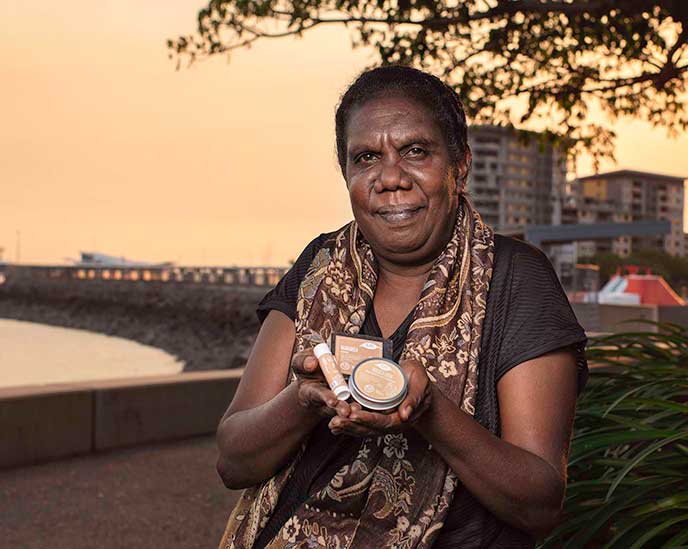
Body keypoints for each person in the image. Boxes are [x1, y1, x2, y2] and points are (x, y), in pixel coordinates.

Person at [215, 65, 587, 549]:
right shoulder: (318, 267)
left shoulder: (517, 279)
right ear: (347, 173)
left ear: (460, 164)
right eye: (366, 157)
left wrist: (429, 412)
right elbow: (233, 462)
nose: (390, 178)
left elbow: (539, 504)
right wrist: (300, 400)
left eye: (415, 151)